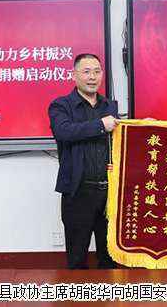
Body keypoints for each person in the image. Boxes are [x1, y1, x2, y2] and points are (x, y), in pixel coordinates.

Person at [49, 53, 118, 269]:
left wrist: (143, 126)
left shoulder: (109, 106)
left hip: (109, 194)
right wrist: (100, 125)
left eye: (97, 72)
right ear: (74, 75)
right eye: (86, 72)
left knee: (110, 259)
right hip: (78, 192)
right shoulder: (61, 105)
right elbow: (64, 131)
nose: (92, 77)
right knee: (77, 259)